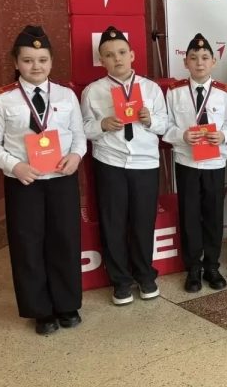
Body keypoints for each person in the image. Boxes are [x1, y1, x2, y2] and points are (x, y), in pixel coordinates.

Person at [0, 25, 86, 335]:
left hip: (61, 178)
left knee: (65, 240)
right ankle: (40, 310)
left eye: (42, 60)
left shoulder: (66, 94)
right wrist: (15, 166)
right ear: (16, 62)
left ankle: (67, 304)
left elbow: (79, 135)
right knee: (28, 243)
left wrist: (76, 156)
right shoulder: (3, 99)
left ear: (51, 61)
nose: (36, 66)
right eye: (27, 60)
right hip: (24, 183)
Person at [81, 26, 168, 306]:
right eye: (109, 55)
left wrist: (150, 119)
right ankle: (120, 281)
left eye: (121, 52)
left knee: (143, 221)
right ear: (101, 60)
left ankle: (145, 275)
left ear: (132, 55)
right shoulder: (93, 91)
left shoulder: (151, 88)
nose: (116, 58)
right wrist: (102, 124)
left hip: (145, 162)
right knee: (113, 222)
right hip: (110, 162)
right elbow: (83, 129)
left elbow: (165, 125)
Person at [163, 33, 227, 293]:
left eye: (205, 57)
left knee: (213, 216)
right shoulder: (175, 92)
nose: (199, 62)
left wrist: (223, 135)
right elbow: (165, 125)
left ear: (214, 62)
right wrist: (181, 135)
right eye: (193, 58)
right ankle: (193, 268)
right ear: (186, 62)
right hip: (187, 162)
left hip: (214, 163)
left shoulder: (224, 92)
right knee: (190, 216)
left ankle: (212, 266)